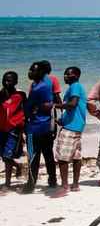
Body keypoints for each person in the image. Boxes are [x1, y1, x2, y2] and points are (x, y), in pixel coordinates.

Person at [23, 62, 57, 193]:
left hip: (35, 127)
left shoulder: (37, 88)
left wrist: (30, 111)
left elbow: (29, 108)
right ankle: (52, 180)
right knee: (48, 155)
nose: (30, 72)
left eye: (33, 70)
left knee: (32, 156)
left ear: (41, 72)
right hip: (46, 126)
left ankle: (31, 184)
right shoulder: (46, 83)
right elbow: (48, 104)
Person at [52, 67, 87, 196]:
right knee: (76, 156)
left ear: (76, 75)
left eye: (68, 74)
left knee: (62, 158)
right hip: (76, 126)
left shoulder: (75, 86)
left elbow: (72, 104)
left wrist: (54, 105)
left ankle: (65, 185)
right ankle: (75, 184)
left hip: (71, 128)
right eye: (65, 73)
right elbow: (73, 110)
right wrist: (61, 120)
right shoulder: (74, 87)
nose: (65, 76)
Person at [1, 71, 26, 189]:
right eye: (4, 80)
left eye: (9, 80)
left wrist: (24, 127)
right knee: (3, 155)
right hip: (1, 128)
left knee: (7, 156)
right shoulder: (0, 95)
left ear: (15, 82)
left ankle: (7, 183)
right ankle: (18, 166)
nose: (6, 82)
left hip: (14, 129)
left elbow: (26, 110)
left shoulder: (20, 95)